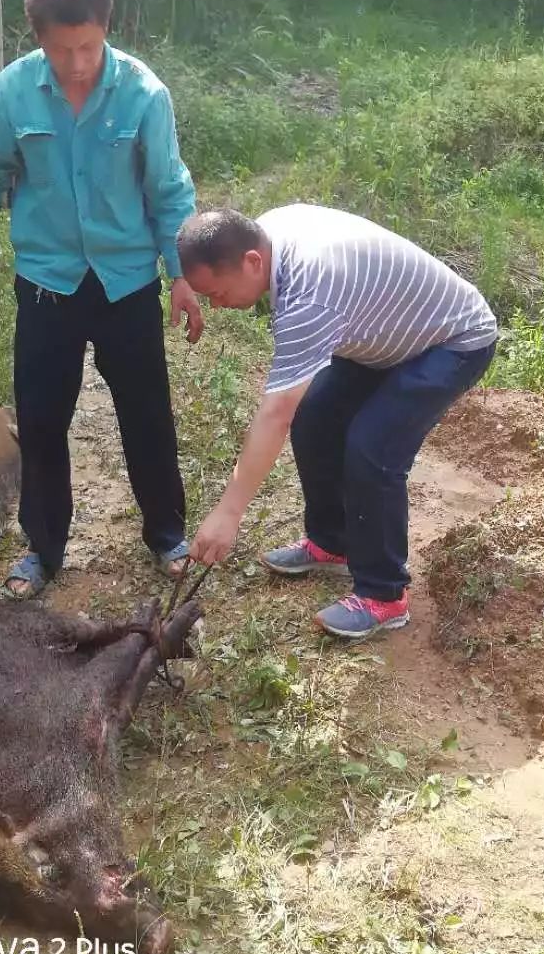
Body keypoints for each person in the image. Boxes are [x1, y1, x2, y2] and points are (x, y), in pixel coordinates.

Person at [0, 0, 204, 599]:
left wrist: (181, 275)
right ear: (39, 39)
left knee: (146, 413)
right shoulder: (16, 91)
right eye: (60, 50)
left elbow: (168, 190)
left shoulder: (143, 94)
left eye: (88, 47)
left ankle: (166, 535)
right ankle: (44, 550)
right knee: (43, 418)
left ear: (107, 29)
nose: (76, 64)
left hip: (126, 281)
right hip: (47, 282)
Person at [177, 204, 497, 640]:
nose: (216, 305)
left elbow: (275, 411)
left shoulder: (310, 292)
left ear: (252, 262)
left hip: (451, 341)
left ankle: (385, 595)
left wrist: (228, 513)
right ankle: (332, 543)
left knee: (372, 448)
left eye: (216, 293)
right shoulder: (266, 236)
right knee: (315, 416)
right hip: (383, 335)